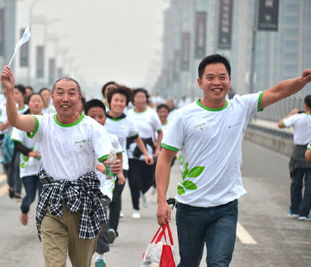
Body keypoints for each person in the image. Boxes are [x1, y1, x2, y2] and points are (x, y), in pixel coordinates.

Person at [156, 54, 311, 267]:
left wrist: (301, 82)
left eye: (223, 77)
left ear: (229, 80)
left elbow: (277, 92)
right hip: (191, 207)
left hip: (225, 206)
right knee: (189, 263)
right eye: (210, 77)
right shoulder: (184, 116)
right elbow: (165, 159)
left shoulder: (240, 107)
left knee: (219, 264)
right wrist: (161, 201)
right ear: (200, 82)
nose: (217, 82)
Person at [0, 66, 122, 267]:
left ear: (79, 99)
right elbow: (15, 120)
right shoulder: (43, 124)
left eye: (71, 94)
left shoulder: (93, 128)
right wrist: (8, 90)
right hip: (53, 203)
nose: (65, 98)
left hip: (84, 205)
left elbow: (108, 159)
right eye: (60, 93)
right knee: (54, 264)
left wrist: (112, 169)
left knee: (81, 264)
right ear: (53, 98)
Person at [105, 85, 151, 240]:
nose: (118, 103)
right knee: (104, 196)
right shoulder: (101, 119)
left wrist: (146, 153)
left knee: (115, 196)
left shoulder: (128, 122)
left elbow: (136, 137)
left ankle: (112, 229)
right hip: (102, 163)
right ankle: (101, 227)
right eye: (116, 100)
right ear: (109, 101)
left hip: (119, 163)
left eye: (122, 101)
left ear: (126, 103)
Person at [84, 98, 125, 267]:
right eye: (92, 116)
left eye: (100, 116)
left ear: (105, 117)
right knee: (84, 221)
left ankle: (100, 257)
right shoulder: (81, 137)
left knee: (101, 217)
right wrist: (98, 167)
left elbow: (117, 155)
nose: (97, 120)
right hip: (83, 185)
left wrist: (119, 172)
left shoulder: (112, 138)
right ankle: (83, 256)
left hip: (104, 186)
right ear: (85, 117)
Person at [127, 88, 162, 219]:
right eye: (138, 97)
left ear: (146, 99)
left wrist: (158, 148)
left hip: (148, 153)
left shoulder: (151, 114)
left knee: (148, 179)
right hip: (132, 153)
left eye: (143, 97)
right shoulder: (128, 114)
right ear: (133, 100)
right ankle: (136, 208)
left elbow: (160, 131)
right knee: (134, 182)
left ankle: (143, 192)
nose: (140, 99)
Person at [11, 93, 44, 226]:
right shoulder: (22, 120)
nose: (36, 103)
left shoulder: (48, 120)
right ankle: (24, 210)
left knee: (44, 197)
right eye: (33, 101)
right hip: (28, 166)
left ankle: (43, 225)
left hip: (45, 167)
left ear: (43, 104)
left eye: (39, 101)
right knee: (30, 197)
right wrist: (29, 152)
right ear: (28, 104)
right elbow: (16, 143)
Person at [278, 95, 311, 221]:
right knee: (309, 186)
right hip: (310, 152)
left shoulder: (297, 117)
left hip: (298, 152)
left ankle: (295, 210)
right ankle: (304, 212)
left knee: (296, 183)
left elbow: (280, 125)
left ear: (305, 105)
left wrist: (291, 114)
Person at [0, 84, 28, 200]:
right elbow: (1, 127)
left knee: (18, 165)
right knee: (10, 168)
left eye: (17, 93)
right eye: (13, 93)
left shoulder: (28, 109)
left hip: (22, 143)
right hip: (10, 142)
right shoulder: (7, 109)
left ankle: (18, 191)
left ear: (23, 95)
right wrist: (12, 119)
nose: (15, 96)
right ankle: (11, 185)